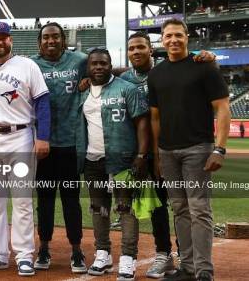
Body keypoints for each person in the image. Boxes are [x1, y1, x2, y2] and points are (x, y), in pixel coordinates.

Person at [121, 32, 216, 278]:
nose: (136, 52)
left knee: (180, 205)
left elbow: (189, 67)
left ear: (151, 49)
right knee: (155, 206)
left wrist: (208, 56)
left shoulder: (165, 71)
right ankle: (164, 254)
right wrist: (87, 80)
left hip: (168, 147)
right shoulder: (123, 78)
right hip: (139, 151)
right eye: (132, 48)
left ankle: (189, 262)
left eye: (141, 47)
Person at [149, 19, 231, 281]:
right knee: (181, 210)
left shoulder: (204, 67)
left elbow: (222, 107)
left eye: (178, 35)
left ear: (187, 37)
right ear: (162, 39)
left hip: (198, 148)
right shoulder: (156, 74)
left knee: (199, 210)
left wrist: (220, 149)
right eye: (168, 36)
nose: (173, 40)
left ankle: (204, 271)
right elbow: (155, 118)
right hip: (168, 152)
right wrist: (157, 154)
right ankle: (187, 267)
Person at [0, 21, 50, 277]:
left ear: (10, 40)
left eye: (3, 37)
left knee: (21, 200)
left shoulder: (28, 66)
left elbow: (42, 101)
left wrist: (43, 137)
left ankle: (25, 255)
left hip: (20, 137)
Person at [76, 48, 149, 281]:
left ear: (110, 65)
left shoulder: (127, 89)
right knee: (99, 209)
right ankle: (103, 253)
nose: (99, 67)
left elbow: (142, 124)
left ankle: (128, 258)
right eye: (94, 64)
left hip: (123, 157)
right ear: (88, 67)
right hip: (92, 159)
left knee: (125, 208)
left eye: (103, 63)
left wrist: (141, 155)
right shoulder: (82, 92)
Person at [30, 22, 87, 273]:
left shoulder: (80, 60)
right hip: (42, 145)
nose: (50, 41)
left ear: (64, 40)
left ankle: (77, 250)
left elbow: (105, 68)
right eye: (46, 37)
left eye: (55, 37)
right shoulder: (30, 65)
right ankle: (43, 248)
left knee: (71, 201)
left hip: (70, 144)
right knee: (44, 200)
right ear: (39, 42)